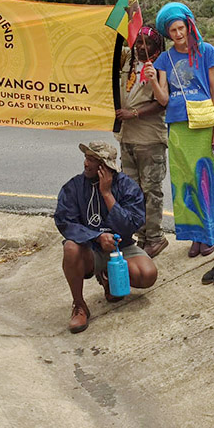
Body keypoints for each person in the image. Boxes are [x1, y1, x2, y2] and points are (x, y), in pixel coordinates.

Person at [55, 141, 158, 334]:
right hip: (89, 249)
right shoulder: (73, 187)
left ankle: (108, 277)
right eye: (86, 158)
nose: (86, 163)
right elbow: (64, 222)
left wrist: (107, 193)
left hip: (121, 248)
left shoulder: (127, 187)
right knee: (70, 248)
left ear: (106, 167)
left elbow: (132, 224)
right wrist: (97, 236)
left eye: (93, 160)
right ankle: (79, 305)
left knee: (148, 275)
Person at [151, 2, 214, 257]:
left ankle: (210, 233)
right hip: (177, 125)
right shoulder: (165, 58)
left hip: (203, 124)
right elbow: (163, 99)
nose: (178, 34)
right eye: (172, 31)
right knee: (183, 180)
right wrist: (152, 79)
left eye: (181, 28)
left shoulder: (206, 51)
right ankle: (194, 235)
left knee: (205, 178)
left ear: (189, 25)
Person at [115, 26, 169, 258]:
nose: (141, 47)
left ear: (157, 45)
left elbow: (162, 102)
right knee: (132, 192)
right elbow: (110, 46)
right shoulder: (128, 62)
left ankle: (155, 237)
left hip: (149, 138)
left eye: (147, 42)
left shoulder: (161, 65)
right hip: (126, 137)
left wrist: (134, 114)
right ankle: (143, 235)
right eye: (138, 42)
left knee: (151, 190)